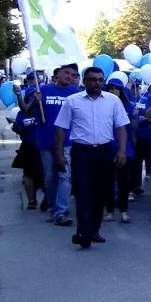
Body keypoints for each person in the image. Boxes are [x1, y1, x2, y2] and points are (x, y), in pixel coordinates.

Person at [53, 65, 130, 249]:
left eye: (100, 80)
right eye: (93, 80)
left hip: (105, 152)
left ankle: (94, 229)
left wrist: (122, 152)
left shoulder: (113, 100)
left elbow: (121, 127)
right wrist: (59, 154)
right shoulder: (72, 101)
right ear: (84, 81)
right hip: (81, 152)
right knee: (83, 193)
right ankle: (82, 232)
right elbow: (61, 129)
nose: (97, 83)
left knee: (100, 193)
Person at [38, 64, 81, 226]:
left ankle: (61, 211)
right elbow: (28, 111)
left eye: (73, 75)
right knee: (50, 178)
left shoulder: (76, 94)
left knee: (65, 176)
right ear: (59, 73)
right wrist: (35, 101)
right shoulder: (44, 90)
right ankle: (52, 208)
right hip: (46, 141)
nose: (69, 76)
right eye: (66, 73)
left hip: (67, 142)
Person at [103, 74, 137, 223]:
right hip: (107, 147)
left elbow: (133, 129)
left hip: (125, 148)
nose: (113, 91)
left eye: (116, 89)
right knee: (108, 181)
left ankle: (123, 211)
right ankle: (109, 210)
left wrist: (136, 118)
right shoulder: (101, 105)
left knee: (124, 181)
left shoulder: (128, 106)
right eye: (111, 88)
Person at [10, 86, 46, 209]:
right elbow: (20, 129)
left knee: (44, 175)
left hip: (42, 146)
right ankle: (31, 200)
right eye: (31, 95)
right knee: (28, 175)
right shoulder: (21, 113)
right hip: (28, 146)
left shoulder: (43, 110)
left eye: (36, 95)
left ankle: (47, 198)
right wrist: (16, 128)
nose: (34, 97)